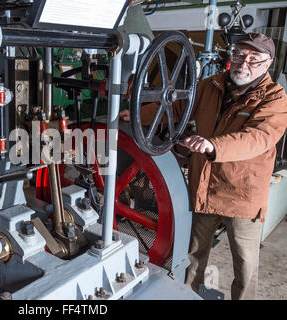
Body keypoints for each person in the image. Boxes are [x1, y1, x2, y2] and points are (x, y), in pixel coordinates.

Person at [119, 33, 287, 299]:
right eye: (240, 55)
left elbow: (259, 138)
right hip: (205, 187)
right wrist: (140, 114)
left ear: (268, 64)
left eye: (254, 59)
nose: (245, 64)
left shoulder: (274, 99)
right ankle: (187, 295)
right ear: (232, 57)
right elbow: (177, 109)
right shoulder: (211, 85)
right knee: (194, 255)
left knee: (245, 265)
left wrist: (213, 146)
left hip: (242, 194)